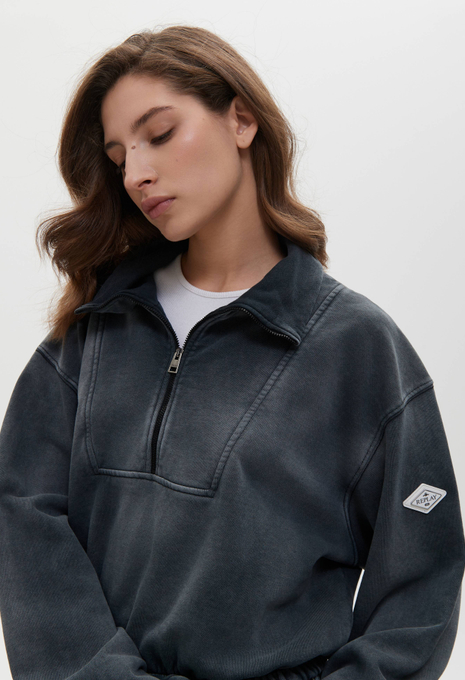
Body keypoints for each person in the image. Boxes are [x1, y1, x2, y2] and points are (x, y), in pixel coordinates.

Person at [0, 24, 463, 680]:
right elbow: (22, 520)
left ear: (241, 121)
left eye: (159, 134)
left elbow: (420, 586)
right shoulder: (88, 339)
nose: (136, 173)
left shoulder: (356, 348)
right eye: (119, 156)